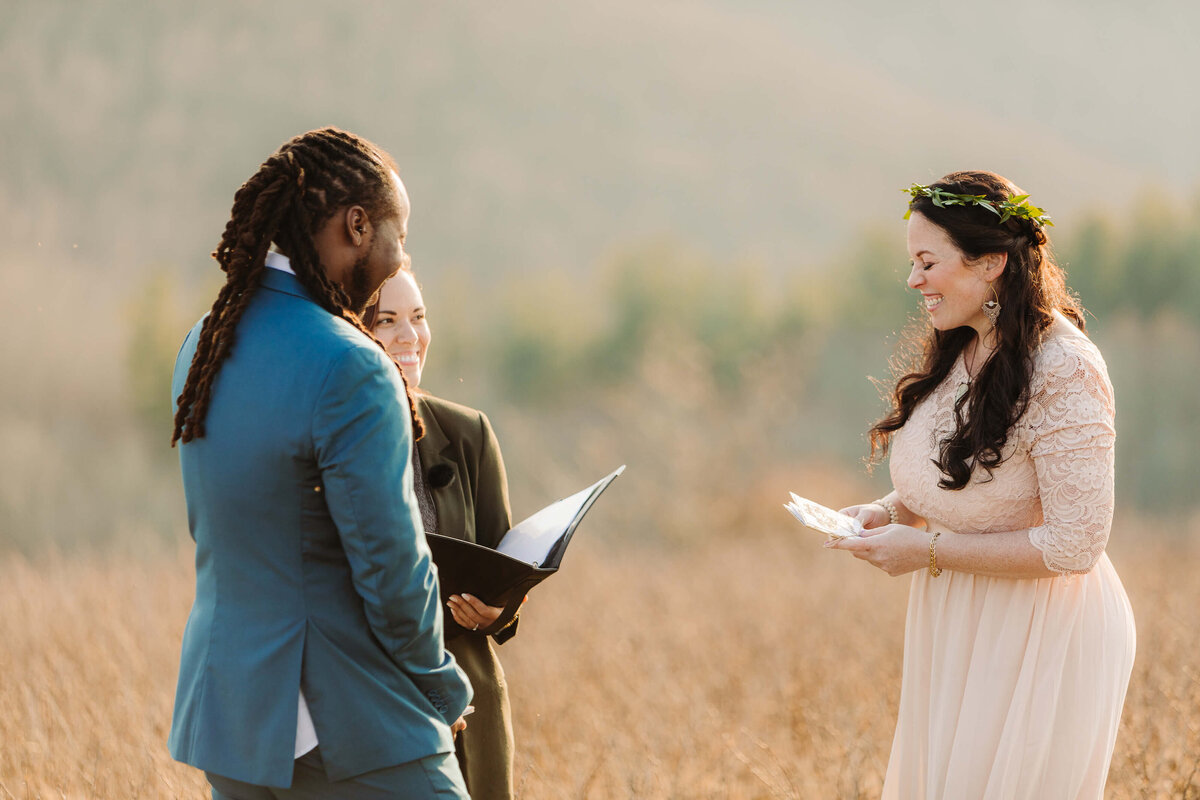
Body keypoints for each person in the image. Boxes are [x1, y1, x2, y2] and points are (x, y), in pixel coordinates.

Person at [168, 128, 472, 798]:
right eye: (398, 236)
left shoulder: (202, 345)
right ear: (356, 225)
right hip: (347, 720)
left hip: (234, 718)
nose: (401, 258)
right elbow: (390, 568)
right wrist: (442, 683)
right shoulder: (352, 365)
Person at [827, 171, 1136, 799]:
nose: (913, 280)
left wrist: (929, 553)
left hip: (1039, 627)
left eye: (927, 261)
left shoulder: (1065, 368)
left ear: (991, 263)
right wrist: (892, 514)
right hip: (957, 617)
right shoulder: (964, 345)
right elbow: (964, 480)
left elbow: (1076, 544)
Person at [364, 269, 520, 800]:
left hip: (472, 701)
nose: (410, 337)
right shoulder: (328, 442)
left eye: (419, 317)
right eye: (387, 321)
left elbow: (506, 564)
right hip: (374, 701)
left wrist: (502, 609)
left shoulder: (468, 432)